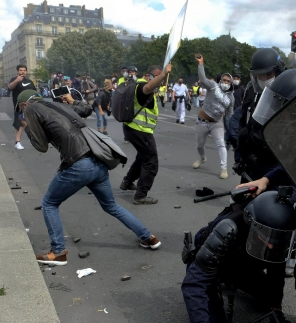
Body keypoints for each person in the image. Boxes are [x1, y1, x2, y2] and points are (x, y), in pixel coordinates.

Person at [179, 69, 296, 323]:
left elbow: (279, 266)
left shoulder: (278, 232)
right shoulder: (232, 229)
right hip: (223, 252)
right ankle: (220, 304)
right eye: (267, 239)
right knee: (207, 277)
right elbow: (195, 283)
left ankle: (248, 286)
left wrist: (275, 307)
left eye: (276, 242)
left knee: (265, 286)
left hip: (250, 244)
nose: (273, 246)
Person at [17, 89, 161, 266]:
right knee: (111, 205)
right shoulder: (58, 104)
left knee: (49, 204)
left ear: (24, 104)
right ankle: (149, 237)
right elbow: (86, 109)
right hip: (97, 161)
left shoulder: (31, 109)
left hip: (79, 164)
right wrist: (72, 100)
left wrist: (27, 126)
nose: (22, 113)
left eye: (21, 109)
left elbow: (41, 146)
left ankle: (58, 252)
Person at [119, 64, 172, 205]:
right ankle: (140, 195)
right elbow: (148, 88)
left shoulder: (138, 84)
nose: (161, 81)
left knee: (142, 157)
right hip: (140, 131)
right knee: (151, 162)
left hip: (133, 129)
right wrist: (164, 73)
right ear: (149, 76)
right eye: (158, 77)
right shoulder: (143, 86)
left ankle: (128, 181)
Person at [192, 54, 234, 179]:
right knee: (199, 145)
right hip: (202, 121)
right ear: (220, 80)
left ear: (231, 83)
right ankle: (202, 158)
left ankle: (223, 169)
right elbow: (203, 79)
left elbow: (230, 113)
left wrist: (231, 127)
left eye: (228, 81)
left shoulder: (231, 97)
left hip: (217, 123)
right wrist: (201, 64)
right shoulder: (213, 86)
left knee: (221, 144)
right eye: (224, 80)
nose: (226, 82)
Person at [7, 64, 36, 150]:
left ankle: (36, 141)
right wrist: (17, 80)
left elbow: (34, 92)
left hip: (30, 105)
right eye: (20, 70)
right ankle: (17, 142)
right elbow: (9, 88)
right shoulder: (14, 79)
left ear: (26, 71)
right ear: (18, 71)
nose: (22, 72)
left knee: (32, 123)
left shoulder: (30, 81)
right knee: (19, 124)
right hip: (18, 106)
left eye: (24, 70)